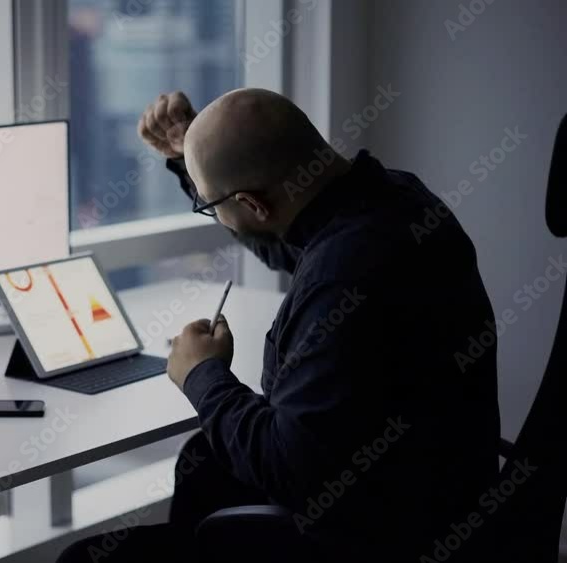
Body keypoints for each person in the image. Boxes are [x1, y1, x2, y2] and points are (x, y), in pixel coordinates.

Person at [57, 89, 500, 563]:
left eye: (211, 206)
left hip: (377, 535)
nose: (214, 213)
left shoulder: (343, 278)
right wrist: (197, 155)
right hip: (435, 483)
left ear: (252, 202)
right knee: (202, 462)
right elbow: (287, 240)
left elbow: (291, 467)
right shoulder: (394, 199)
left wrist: (202, 375)